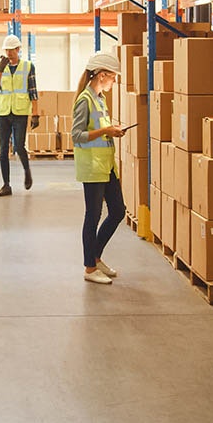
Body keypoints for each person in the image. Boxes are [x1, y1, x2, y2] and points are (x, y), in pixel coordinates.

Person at [71, 51, 127, 285]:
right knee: (92, 216)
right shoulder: (85, 99)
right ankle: (89, 267)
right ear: (103, 75)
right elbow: (77, 136)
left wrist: (112, 129)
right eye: (113, 77)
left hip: (106, 166)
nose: (115, 81)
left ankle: (96, 255)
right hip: (92, 167)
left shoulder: (100, 98)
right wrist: (106, 131)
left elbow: (101, 129)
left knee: (118, 211)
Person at [0, 34, 39, 197]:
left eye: (12, 50)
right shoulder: (0, 66)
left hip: (20, 112)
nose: (9, 53)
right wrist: (0, 70)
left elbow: (33, 91)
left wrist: (36, 114)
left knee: (18, 146)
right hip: (4, 112)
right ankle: (6, 185)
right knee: (3, 149)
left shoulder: (28, 66)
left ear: (18, 49)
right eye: (7, 50)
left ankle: (27, 170)